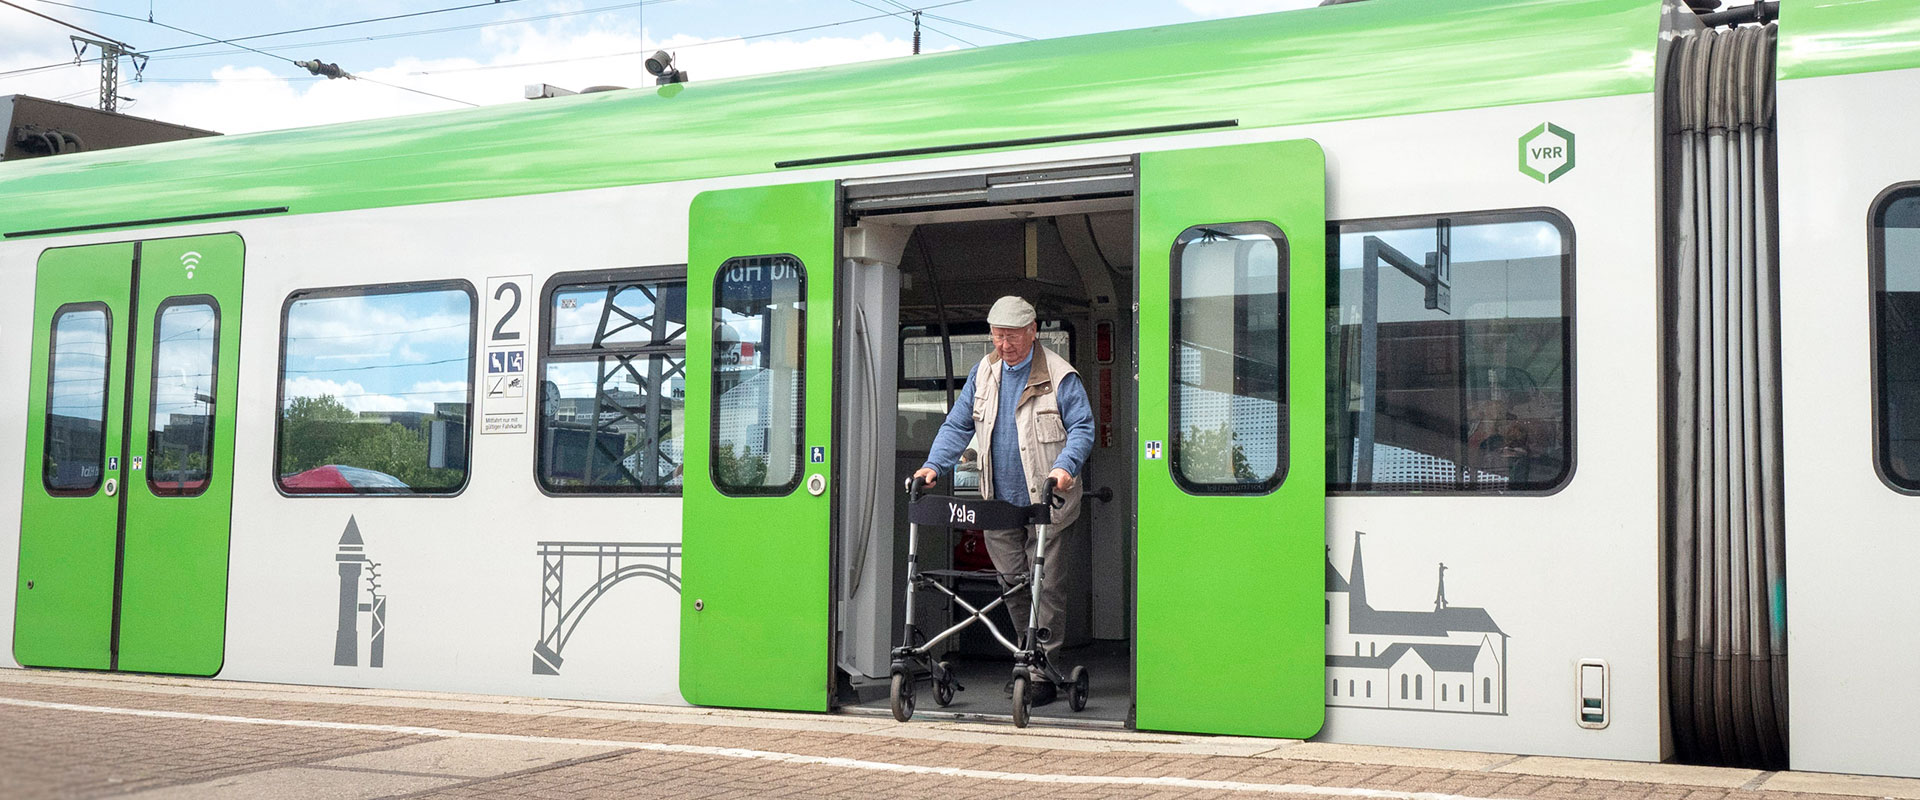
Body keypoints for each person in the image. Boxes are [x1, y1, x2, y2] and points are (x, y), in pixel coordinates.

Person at [914, 296, 1095, 707]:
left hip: (1048, 503)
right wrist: (933, 466)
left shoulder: (1061, 376)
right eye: (997, 335)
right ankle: (1027, 653)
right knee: (1012, 585)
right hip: (998, 501)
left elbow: (1082, 427)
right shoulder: (984, 372)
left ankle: (1041, 669)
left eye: (1012, 335)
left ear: (1033, 331)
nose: (1004, 344)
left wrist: (1065, 467)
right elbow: (959, 425)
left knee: (1044, 587)